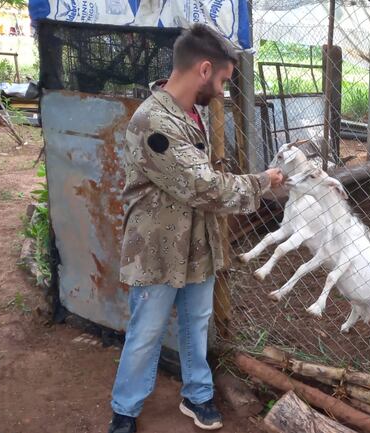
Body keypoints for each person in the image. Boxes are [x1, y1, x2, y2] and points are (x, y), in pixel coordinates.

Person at [108, 23, 284, 433]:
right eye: (223, 80)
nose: (222, 91)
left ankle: (197, 394)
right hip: (157, 247)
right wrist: (263, 181)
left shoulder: (190, 113)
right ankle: (125, 410)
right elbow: (201, 187)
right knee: (147, 332)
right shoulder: (155, 121)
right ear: (204, 70)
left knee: (196, 320)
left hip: (196, 243)